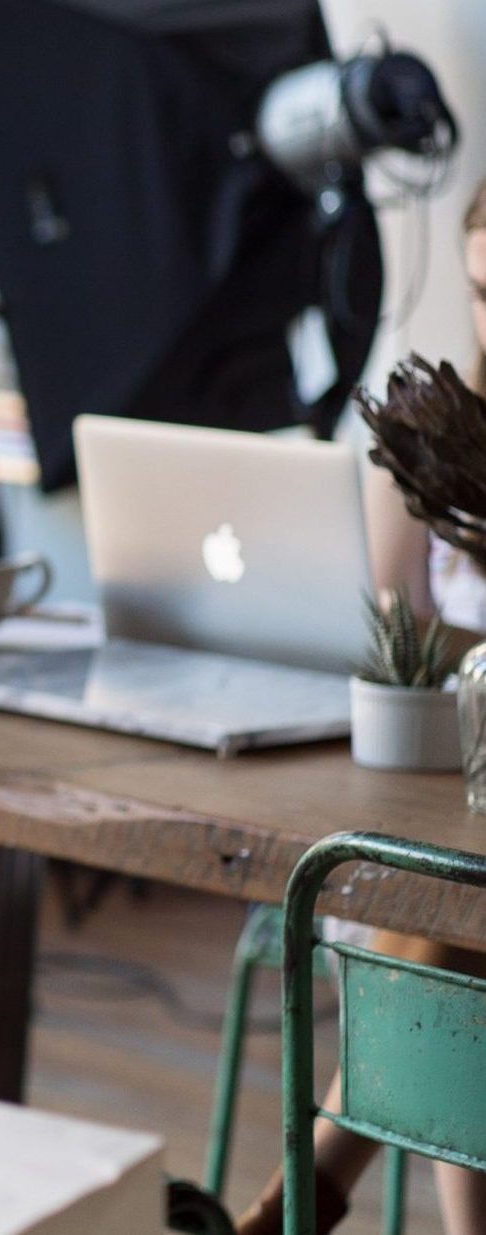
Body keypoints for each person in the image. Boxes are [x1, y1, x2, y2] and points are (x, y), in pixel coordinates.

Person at [233, 180, 486, 1235]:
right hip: (441, 808)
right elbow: (406, 656)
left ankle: (298, 1193)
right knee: (440, 909)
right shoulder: (446, 440)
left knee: (448, 921)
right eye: (481, 290)